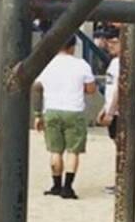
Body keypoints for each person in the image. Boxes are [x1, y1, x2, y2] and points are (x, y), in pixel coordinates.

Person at [33, 38, 97, 199]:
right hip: (74, 110)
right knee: (73, 151)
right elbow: (91, 89)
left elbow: (37, 87)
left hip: (51, 109)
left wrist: (37, 114)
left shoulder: (47, 64)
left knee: (55, 151)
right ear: (72, 47)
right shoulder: (81, 65)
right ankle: (67, 187)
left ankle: (56, 185)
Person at [95, 26, 121, 194]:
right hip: (112, 108)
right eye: (109, 42)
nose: (110, 45)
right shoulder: (114, 62)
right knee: (117, 145)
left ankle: (122, 181)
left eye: (114, 42)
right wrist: (104, 109)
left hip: (119, 112)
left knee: (121, 147)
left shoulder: (123, 62)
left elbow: (120, 89)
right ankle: (119, 180)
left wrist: (111, 111)